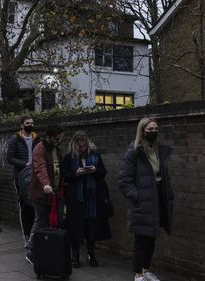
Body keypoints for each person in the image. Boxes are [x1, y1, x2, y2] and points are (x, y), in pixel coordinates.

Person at [119, 117, 174, 281]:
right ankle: (138, 274)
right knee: (141, 240)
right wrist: (139, 197)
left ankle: (146, 269)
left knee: (151, 239)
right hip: (143, 201)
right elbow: (124, 182)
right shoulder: (134, 152)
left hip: (158, 199)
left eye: (156, 129)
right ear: (142, 131)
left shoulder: (159, 150)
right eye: (150, 129)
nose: (154, 132)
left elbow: (163, 176)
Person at [61, 131, 111, 268]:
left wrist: (95, 170)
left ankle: (91, 254)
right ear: (75, 146)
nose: (82, 149)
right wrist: (76, 173)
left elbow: (103, 173)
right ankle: (75, 256)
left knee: (92, 226)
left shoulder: (95, 154)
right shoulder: (69, 157)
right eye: (80, 147)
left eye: (84, 146)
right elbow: (64, 176)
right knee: (75, 227)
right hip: (76, 198)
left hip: (93, 198)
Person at [27, 124, 65, 263]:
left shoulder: (57, 148)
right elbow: (40, 168)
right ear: (48, 137)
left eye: (60, 138)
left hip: (54, 193)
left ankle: (45, 248)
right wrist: (46, 184)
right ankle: (31, 250)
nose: (58, 141)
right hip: (40, 193)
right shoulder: (40, 149)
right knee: (40, 221)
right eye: (56, 138)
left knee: (51, 222)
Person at [7, 115, 40, 247]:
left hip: (34, 176)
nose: (30, 125)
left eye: (32, 122)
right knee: (24, 206)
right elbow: (10, 158)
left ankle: (34, 234)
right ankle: (26, 235)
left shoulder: (37, 138)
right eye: (27, 123)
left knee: (34, 206)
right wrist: (25, 164)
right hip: (20, 177)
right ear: (22, 125)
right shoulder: (15, 139)